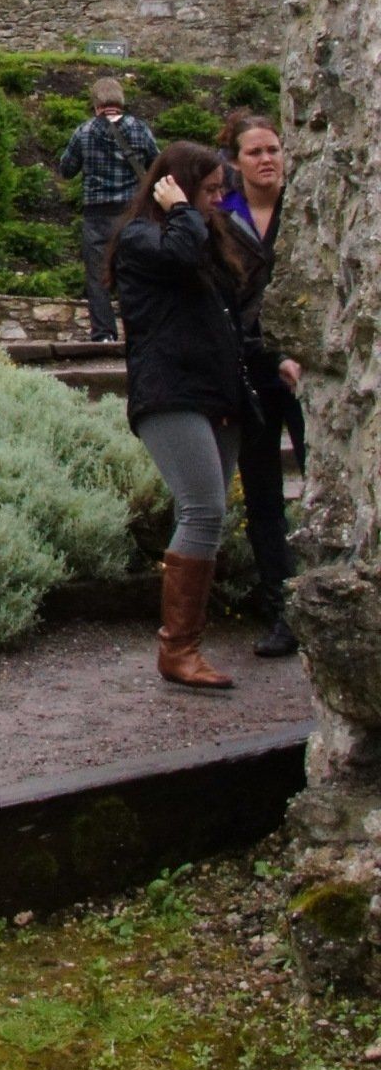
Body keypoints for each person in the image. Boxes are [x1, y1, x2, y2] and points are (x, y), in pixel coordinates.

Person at [109, 139, 255, 690]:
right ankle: (178, 650)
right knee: (203, 509)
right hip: (169, 392)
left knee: (206, 515)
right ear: (176, 185)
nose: (219, 200)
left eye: (222, 190)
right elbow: (177, 257)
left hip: (214, 395)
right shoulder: (144, 236)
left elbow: (229, 311)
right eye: (211, 189)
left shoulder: (201, 233)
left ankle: (187, 644)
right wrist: (181, 211)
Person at [218, 109, 305, 660]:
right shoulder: (222, 218)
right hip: (252, 369)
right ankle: (284, 611)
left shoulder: (306, 208)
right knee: (265, 496)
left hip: (306, 368)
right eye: (254, 152)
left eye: (272, 148)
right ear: (235, 162)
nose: (266, 159)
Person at [58, 76, 157, 343]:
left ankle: (103, 333)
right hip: (131, 212)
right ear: (120, 102)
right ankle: (137, 333)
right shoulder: (140, 129)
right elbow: (156, 166)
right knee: (132, 272)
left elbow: (66, 170)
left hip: (97, 214)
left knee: (98, 276)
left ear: (96, 104)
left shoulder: (85, 131)